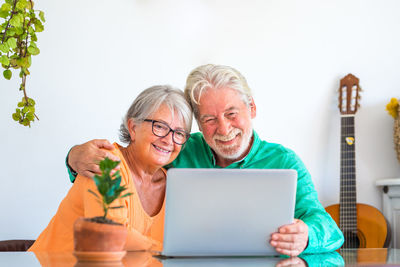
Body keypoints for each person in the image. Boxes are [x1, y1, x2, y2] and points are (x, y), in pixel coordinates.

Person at [66, 64, 344, 256]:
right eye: (209, 119)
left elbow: (328, 226)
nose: (223, 129)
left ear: (253, 109)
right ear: (198, 123)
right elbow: (128, 166)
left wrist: (306, 234)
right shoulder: (179, 147)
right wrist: (74, 157)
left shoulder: (284, 161)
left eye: (232, 114)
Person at [29, 85, 192, 252]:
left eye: (179, 133)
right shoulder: (105, 162)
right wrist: (169, 253)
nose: (168, 140)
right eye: (159, 126)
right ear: (133, 127)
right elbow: (111, 238)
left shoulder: (172, 186)